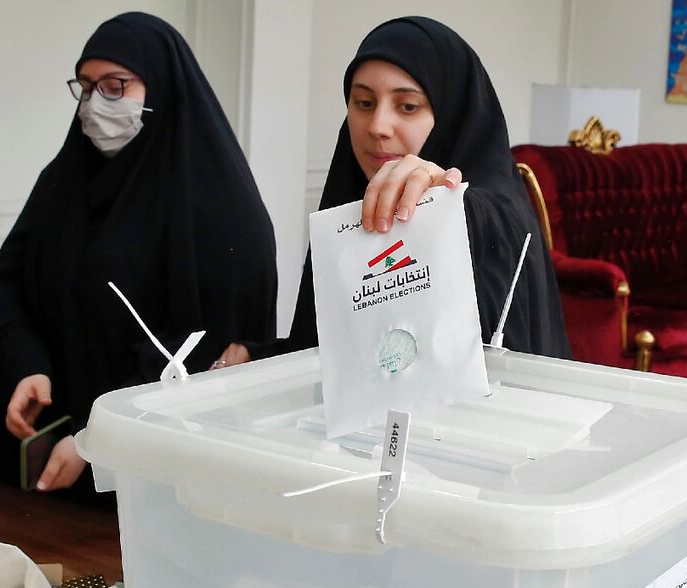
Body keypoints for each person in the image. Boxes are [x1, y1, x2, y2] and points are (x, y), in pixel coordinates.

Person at [0, 12, 277, 502]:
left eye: (116, 86)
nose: (97, 104)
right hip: (44, 446)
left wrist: (100, 438)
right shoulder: (64, 182)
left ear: (160, 88)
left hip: (143, 474)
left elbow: (207, 346)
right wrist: (28, 364)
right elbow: (8, 283)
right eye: (87, 87)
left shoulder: (221, 209)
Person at [215, 16, 569, 368]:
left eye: (408, 106)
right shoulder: (351, 193)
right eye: (364, 103)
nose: (378, 127)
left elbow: (490, 364)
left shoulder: (496, 213)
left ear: (450, 114)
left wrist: (445, 202)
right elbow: (341, 351)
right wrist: (259, 357)